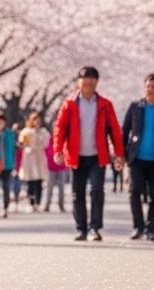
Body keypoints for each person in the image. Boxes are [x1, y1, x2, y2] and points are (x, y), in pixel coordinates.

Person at [53, 66, 125, 242]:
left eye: (92, 78)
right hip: (76, 156)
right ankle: (81, 229)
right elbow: (60, 129)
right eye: (85, 78)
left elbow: (115, 130)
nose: (88, 82)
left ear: (97, 82)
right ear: (78, 81)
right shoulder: (69, 104)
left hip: (97, 156)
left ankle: (94, 228)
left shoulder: (105, 104)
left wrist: (119, 154)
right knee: (77, 193)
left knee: (97, 191)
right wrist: (57, 150)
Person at [121, 73, 154, 240]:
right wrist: (123, 155)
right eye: (147, 86)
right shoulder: (135, 107)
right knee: (134, 191)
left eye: (153, 86)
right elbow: (125, 131)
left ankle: (150, 229)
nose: (149, 89)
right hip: (136, 158)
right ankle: (138, 227)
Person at [16, 112, 49, 211]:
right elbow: (22, 143)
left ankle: (38, 203)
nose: (36, 122)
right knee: (30, 182)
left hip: (39, 157)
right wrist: (24, 143)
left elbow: (46, 143)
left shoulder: (43, 131)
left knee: (39, 182)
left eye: (38, 120)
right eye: (34, 120)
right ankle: (31, 203)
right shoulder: (26, 131)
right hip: (29, 158)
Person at [0, 112, 17, 218]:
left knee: (6, 187)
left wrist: (14, 164)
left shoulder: (9, 133)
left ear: (5, 123)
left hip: (7, 164)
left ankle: (5, 208)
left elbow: (12, 148)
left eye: (1, 122)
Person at [43, 133, 68, 212]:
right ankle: (47, 205)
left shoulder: (64, 139)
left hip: (62, 167)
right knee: (49, 187)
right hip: (51, 167)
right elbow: (47, 152)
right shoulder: (50, 139)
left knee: (61, 187)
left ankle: (61, 205)